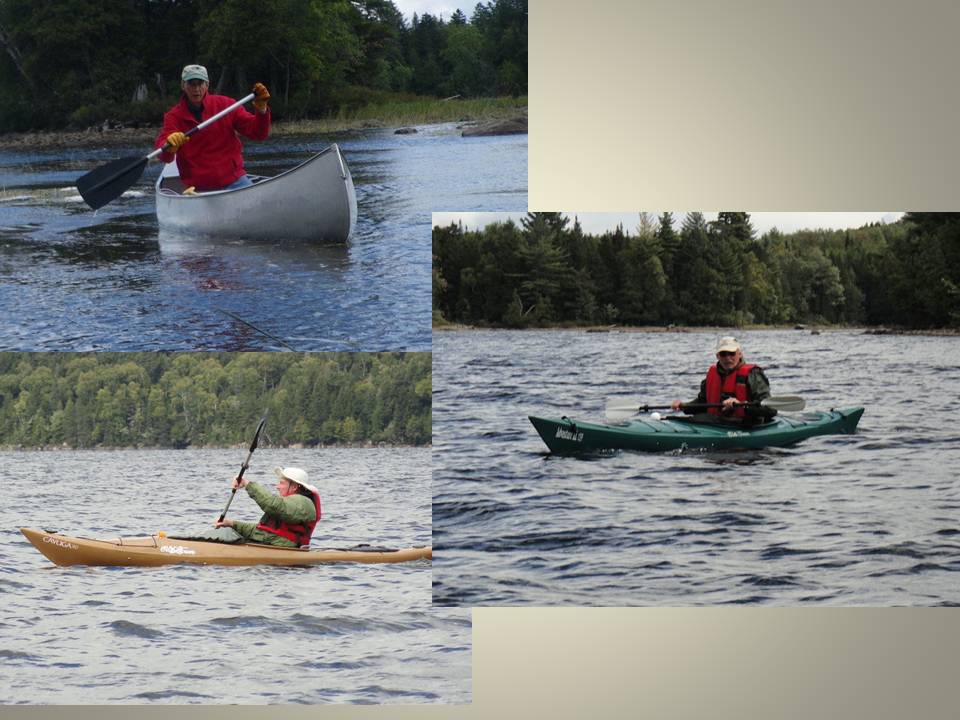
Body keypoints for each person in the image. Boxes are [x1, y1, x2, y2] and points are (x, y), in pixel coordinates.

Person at [155, 64, 271, 192]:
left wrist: (262, 111)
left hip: (234, 181)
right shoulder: (173, 116)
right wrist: (169, 146)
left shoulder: (227, 105)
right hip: (197, 188)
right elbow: (164, 155)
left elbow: (258, 133)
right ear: (183, 85)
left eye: (200, 83)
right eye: (191, 84)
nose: (196, 89)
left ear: (207, 85)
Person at [671, 336, 776, 423]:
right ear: (717, 356)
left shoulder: (753, 375)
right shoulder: (713, 374)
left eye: (732, 353)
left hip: (746, 424)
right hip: (719, 423)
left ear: (739, 354)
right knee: (696, 418)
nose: (728, 358)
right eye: (723, 354)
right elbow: (703, 403)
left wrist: (741, 405)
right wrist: (683, 406)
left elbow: (770, 410)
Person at [214, 467, 321, 547]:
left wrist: (247, 484)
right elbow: (261, 532)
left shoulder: (303, 503)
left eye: (282, 483)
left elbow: (272, 504)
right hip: (270, 544)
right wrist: (231, 524)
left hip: (282, 551)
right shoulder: (291, 503)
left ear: (294, 487)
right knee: (224, 533)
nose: (277, 487)